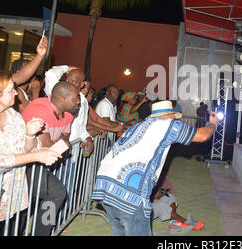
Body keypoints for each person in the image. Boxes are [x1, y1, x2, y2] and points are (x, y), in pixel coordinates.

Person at [91, 100, 220, 236]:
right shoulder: (166, 124)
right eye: (173, 116)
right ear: (169, 115)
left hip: (105, 185)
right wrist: (214, 123)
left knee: (120, 232)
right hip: (129, 191)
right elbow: (202, 136)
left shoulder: (139, 126)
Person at [0, 71, 62, 235]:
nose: (16, 92)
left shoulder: (13, 115)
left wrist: (29, 134)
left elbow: (27, 147)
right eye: (10, 90)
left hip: (14, 190)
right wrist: (35, 156)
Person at [21, 81, 81, 235]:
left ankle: (39, 232)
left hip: (39, 162)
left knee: (48, 196)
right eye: (76, 98)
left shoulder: (68, 113)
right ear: (62, 99)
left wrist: (59, 143)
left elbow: (65, 138)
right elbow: (44, 144)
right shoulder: (39, 108)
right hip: (23, 163)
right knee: (22, 208)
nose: (79, 101)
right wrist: (59, 144)